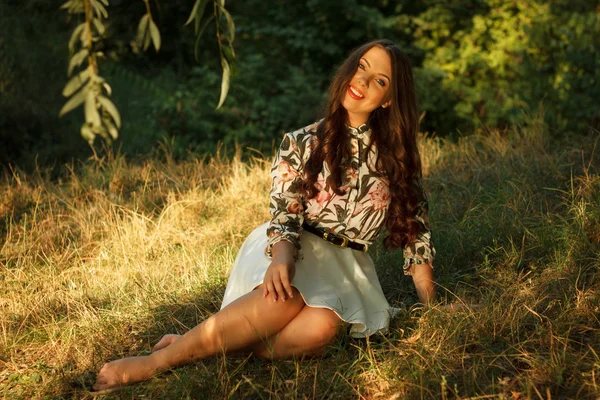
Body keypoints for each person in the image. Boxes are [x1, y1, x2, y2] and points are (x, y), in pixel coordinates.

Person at [92, 38, 435, 392]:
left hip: (346, 268)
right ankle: (153, 363)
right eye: (362, 67)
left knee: (322, 330)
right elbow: (285, 212)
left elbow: (416, 234)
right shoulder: (303, 141)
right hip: (294, 247)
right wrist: (282, 258)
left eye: (379, 80)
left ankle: (206, 342)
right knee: (288, 296)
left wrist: (432, 304)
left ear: (390, 99)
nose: (363, 81)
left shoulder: (396, 161)